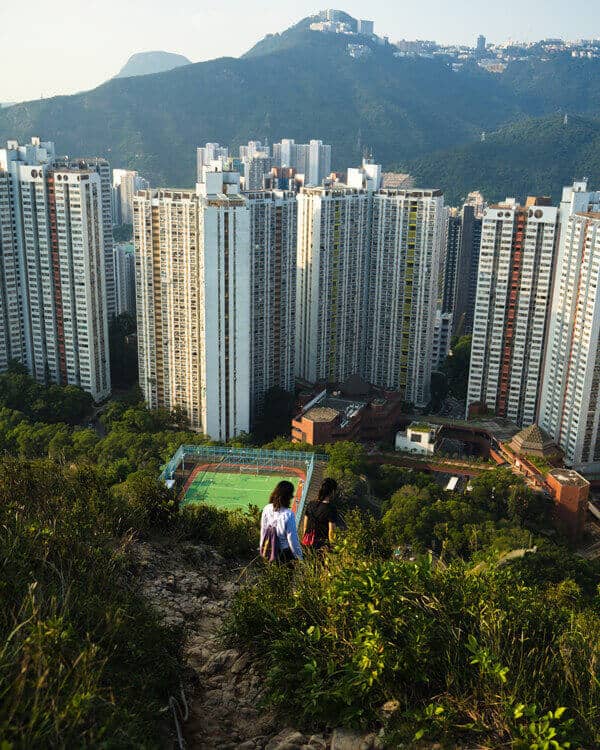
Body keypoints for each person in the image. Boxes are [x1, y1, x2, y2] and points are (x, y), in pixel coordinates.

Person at [260, 480, 303, 563]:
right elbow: (292, 539)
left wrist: (263, 548)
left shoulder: (267, 508)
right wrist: (299, 557)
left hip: (270, 549)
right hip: (284, 553)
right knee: (286, 575)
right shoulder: (288, 514)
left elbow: (263, 531)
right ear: (288, 496)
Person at [302, 478, 338, 550]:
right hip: (321, 546)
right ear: (333, 491)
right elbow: (331, 531)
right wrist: (333, 548)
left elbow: (305, 527)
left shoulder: (310, 504)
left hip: (307, 542)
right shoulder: (331, 509)